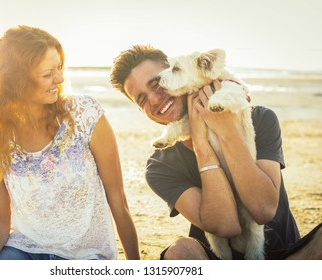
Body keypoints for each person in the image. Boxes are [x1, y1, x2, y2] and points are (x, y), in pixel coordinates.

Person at [109, 45, 322, 260]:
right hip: (216, 260)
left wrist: (227, 130)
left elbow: (263, 210)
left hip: (286, 257)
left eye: (157, 83)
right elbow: (226, 225)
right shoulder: (160, 166)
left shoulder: (260, 119)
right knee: (179, 252)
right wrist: (201, 143)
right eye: (142, 99)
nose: (154, 100)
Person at [0, 25, 139, 260]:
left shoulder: (85, 115)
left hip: (87, 256)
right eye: (47, 73)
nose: (60, 78)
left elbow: (118, 199)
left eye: (60, 67)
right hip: (24, 250)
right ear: (16, 81)